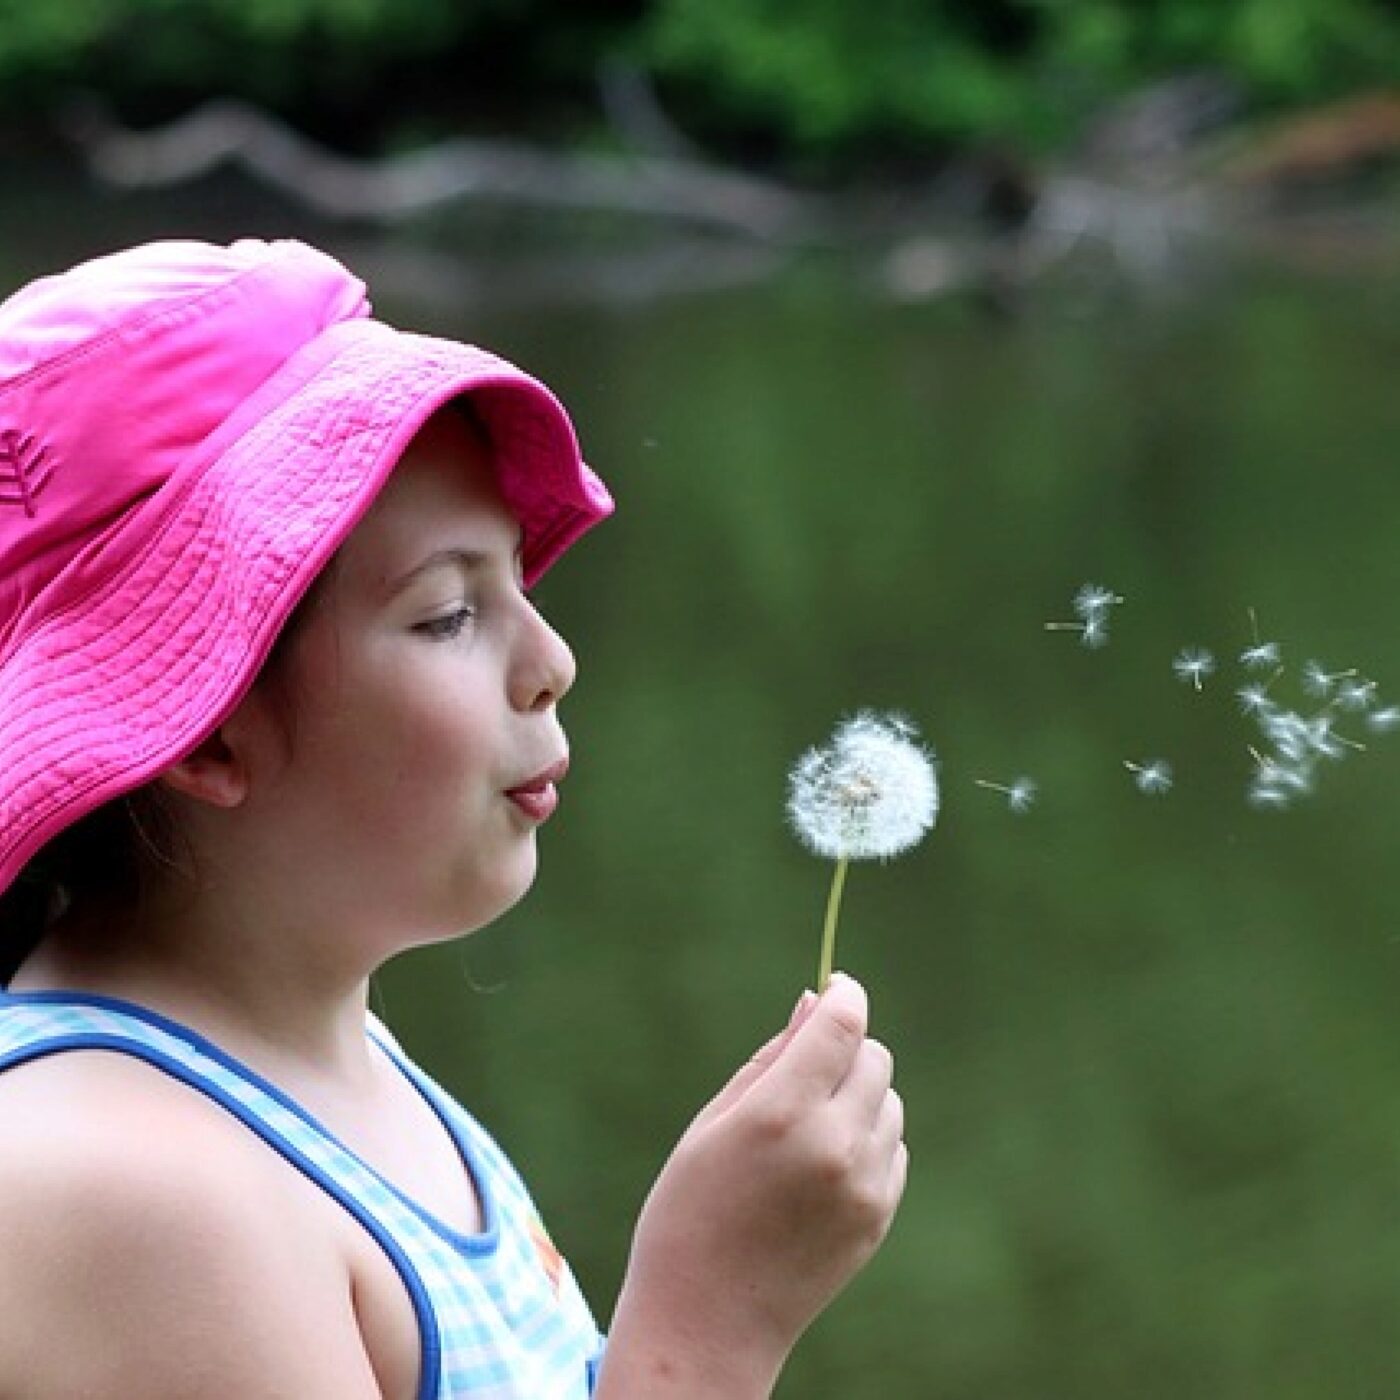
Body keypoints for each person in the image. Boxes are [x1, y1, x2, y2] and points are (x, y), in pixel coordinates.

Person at [0, 238, 906, 1399]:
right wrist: (705, 1325)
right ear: (207, 729)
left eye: (520, 582)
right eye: (444, 614)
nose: (553, 660)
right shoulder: (132, 1194)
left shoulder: (328, 1063)